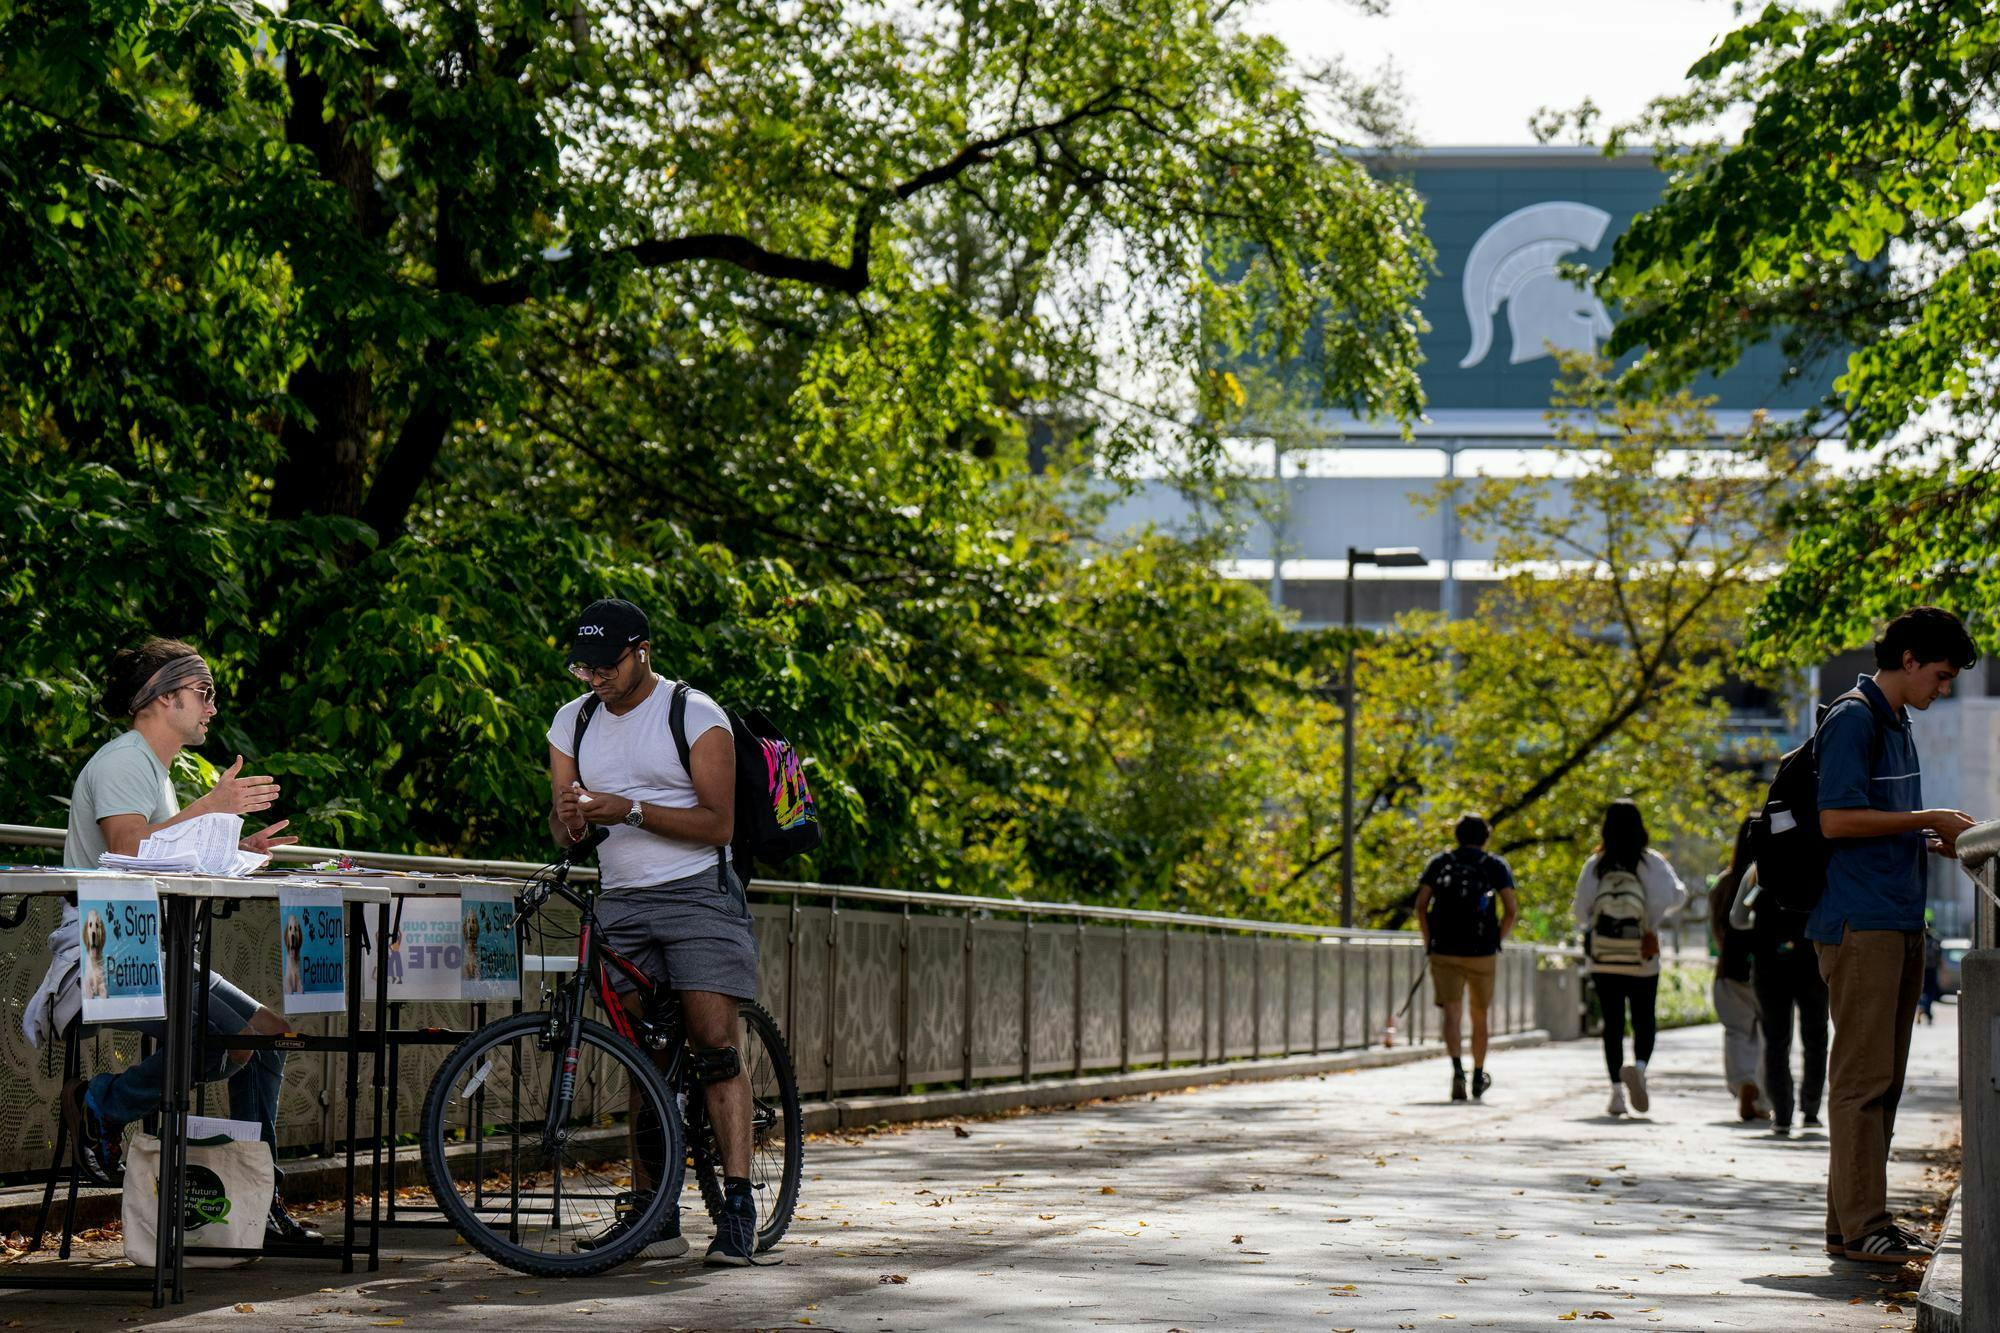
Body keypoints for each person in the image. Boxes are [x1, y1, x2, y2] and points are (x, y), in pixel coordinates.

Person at [30, 638, 316, 1242]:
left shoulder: (153, 770)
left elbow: (161, 854)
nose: (212, 707)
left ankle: (258, 1191)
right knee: (215, 1042)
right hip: (106, 948)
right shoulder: (123, 761)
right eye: (203, 693)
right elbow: (128, 850)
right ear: (164, 697)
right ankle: (101, 1105)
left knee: (266, 1037)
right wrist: (211, 805)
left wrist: (238, 849)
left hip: (153, 949)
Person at [545, 598, 760, 1267]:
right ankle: (654, 1210)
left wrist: (630, 809)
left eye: (607, 664)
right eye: (584, 665)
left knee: (714, 1041)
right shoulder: (572, 719)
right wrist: (574, 823)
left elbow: (719, 823)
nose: (595, 677)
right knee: (641, 1056)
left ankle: (739, 1202)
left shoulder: (694, 714)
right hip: (622, 898)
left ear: (643, 651)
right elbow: (564, 826)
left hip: (697, 891)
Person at [1810, 606, 1979, 1266]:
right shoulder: (1854, 716)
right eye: (1939, 675)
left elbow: (1873, 818)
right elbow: (1836, 820)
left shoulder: (1895, 720)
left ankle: (1850, 1221)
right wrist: (1928, 814)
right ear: (1908, 659)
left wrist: (1923, 833)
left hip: (1896, 917)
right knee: (1863, 1080)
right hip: (1861, 922)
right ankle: (1865, 1224)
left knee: (1881, 1079)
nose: (1943, 689)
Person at [1574, 798, 1687, 1117]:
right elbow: (1678, 896)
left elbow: (1581, 914)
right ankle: (1638, 1067)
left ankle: (1616, 1094)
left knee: (1612, 1022)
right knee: (1643, 1018)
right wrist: (1651, 918)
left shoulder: (1595, 865)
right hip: (1642, 955)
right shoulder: (1652, 863)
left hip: (1604, 957)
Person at [1414, 814, 1518, 1102]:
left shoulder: (1440, 863)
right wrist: (1497, 939)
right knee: (1479, 1015)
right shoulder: (1494, 865)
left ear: (1457, 835)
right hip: (1482, 952)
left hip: (1444, 949)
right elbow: (1510, 909)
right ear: (1486, 837)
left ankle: (1457, 1070)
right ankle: (1477, 1075)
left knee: (1452, 1012)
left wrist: (1428, 941)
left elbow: (1421, 906)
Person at [1730, 855, 1828, 1139]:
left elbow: (1737, 919)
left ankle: (1782, 1115)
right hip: (1813, 960)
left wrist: (1766, 926)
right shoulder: (1819, 862)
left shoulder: (1758, 868)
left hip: (1769, 963)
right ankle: (1811, 1111)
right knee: (1816, 1036)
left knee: (1775, 1040)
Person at [1707, 818, 1769, 1123]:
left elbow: (1719, 929)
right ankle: (1765, 1096)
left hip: (1730, 969)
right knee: (1769, 1034)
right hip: (1768, 967)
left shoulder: (1725, 883)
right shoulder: (1773, 877)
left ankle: (1744, 1082)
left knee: (1737, 1032)